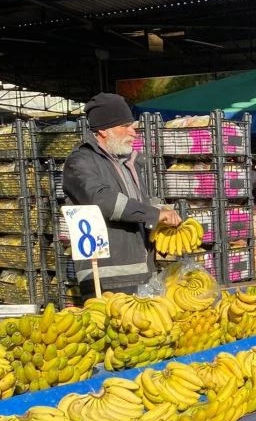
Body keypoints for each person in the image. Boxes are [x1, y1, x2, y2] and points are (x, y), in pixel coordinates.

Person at [62, 92, 181, 296]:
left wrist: (160, 212)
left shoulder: (128, 163)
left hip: (142, 272)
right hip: (107, 277)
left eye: (132, 125)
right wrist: (154, 214)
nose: (133, 132)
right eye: (124, 126)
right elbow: (103, 200)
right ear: (103, 130)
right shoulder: (80, 162)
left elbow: (139, 202)